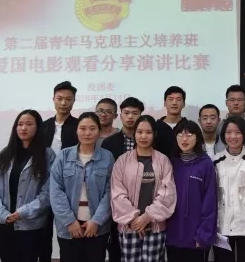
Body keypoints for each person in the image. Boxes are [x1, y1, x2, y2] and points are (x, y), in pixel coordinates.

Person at [0, 110, 55, 262]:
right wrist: (1, 214)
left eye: (29, 124)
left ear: (38, 128)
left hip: (31, 225)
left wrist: (22, 212)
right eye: (20, 124)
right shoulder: (5, 154)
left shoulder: (47, 155)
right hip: (5, 223)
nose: (23, 128)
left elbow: (48, 193)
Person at [50, 112, 114, 262]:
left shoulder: (107, 157)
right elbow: (55, 191)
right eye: (83, 128)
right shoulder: (63, 156)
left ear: (99, 131)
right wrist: (69, 221)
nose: (87, 133)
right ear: (76, 130)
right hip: (69, 227)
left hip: (97, 227)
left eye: (92, 128)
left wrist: (96, 221)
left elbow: (110, 192)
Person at [111, 116, 177, 262]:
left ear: (154, 135)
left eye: (148, 132)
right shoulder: (122, 161)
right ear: (134, 134)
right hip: (129, 226)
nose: (143, 136)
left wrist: (147, 217)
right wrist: (134, 219)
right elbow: (117, 194)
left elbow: (167, 194)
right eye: (140, 132)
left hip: (155, 226)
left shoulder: (163, 161)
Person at [213, 116, 245, 262]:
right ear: (223, 135)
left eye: (238, 132)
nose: (233, 137)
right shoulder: (214, 162)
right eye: (229, 132)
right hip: (221, 223)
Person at [166, 120, 218, 262]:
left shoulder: (206, 164)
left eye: (189, 135)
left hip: (196, 237)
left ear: (197, 138)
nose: (184, 139)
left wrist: (203, 235)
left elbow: (210, 202)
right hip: (173, 235)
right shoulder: (170, 163)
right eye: (180, 135)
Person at [101, 96, 144, 262]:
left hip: (143, 203)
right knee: (115, 250)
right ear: (120, 115)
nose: (130, 117)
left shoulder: (148, 141)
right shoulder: (109, 143)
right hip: (116, 204)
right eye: (126, 113)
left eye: (135, 113)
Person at [41, 81, 79, 262]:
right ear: (53, 99)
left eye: (68, 99)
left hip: (68, 187)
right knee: (42, 233)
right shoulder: (43, 126)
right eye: (60, 98)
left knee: (67, 234)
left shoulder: (79, 126)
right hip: (43, 186)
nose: (64, 103)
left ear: (74, 101)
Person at [154, 86, 189, 157]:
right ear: (164, 103)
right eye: (171, 99)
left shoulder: (190, 127)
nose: (174, 103)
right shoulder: (155, 127)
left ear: (184, 104)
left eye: (178, 99)